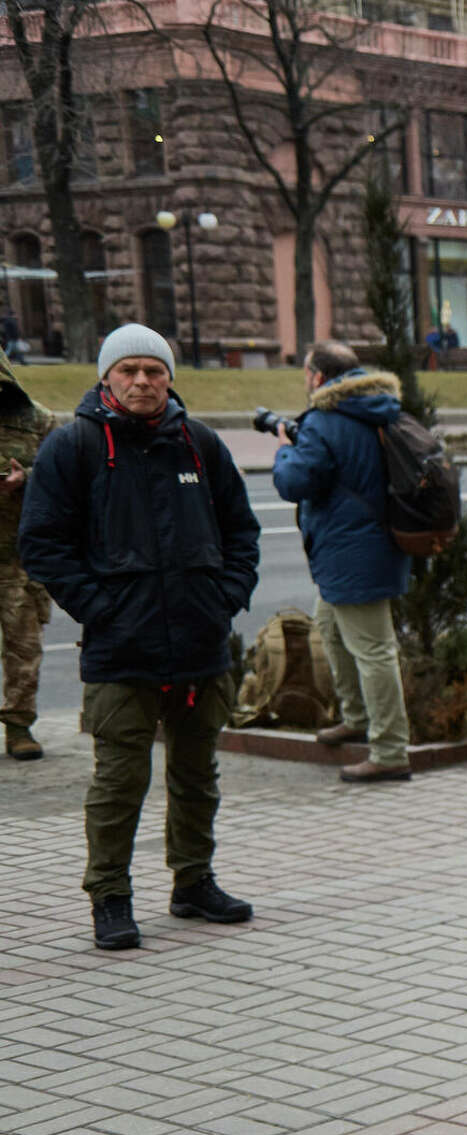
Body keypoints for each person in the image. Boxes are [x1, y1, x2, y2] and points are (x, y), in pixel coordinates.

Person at [17, 325, 260, 951]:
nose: (143, 381)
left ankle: (193, 882)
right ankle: (110, 896)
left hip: (201, 645)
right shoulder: (72, 448)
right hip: (120, 649)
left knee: (196, 774)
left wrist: (223, 600)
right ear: (106, 378)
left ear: (170, 378)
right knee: (120, 781)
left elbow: (241, 531)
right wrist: (101, 610)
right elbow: (42, 544)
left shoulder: (199, 445)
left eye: (154, 370)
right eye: (129, 371)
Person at [271, 341, 414, 783]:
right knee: (331, 630)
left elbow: (296, 481)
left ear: (317, 377)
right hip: (368, 547)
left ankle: (390, 751)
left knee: (373, 650)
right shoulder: (378, 409)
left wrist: (283, 449)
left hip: (352, 551)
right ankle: (355, 717)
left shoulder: (325, 419)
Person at [0, 353, 60, 760]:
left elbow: (65, 474)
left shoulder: (38, 420)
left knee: (24, 647)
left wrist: (28, 479)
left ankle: (19, 726)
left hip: (18, 557)